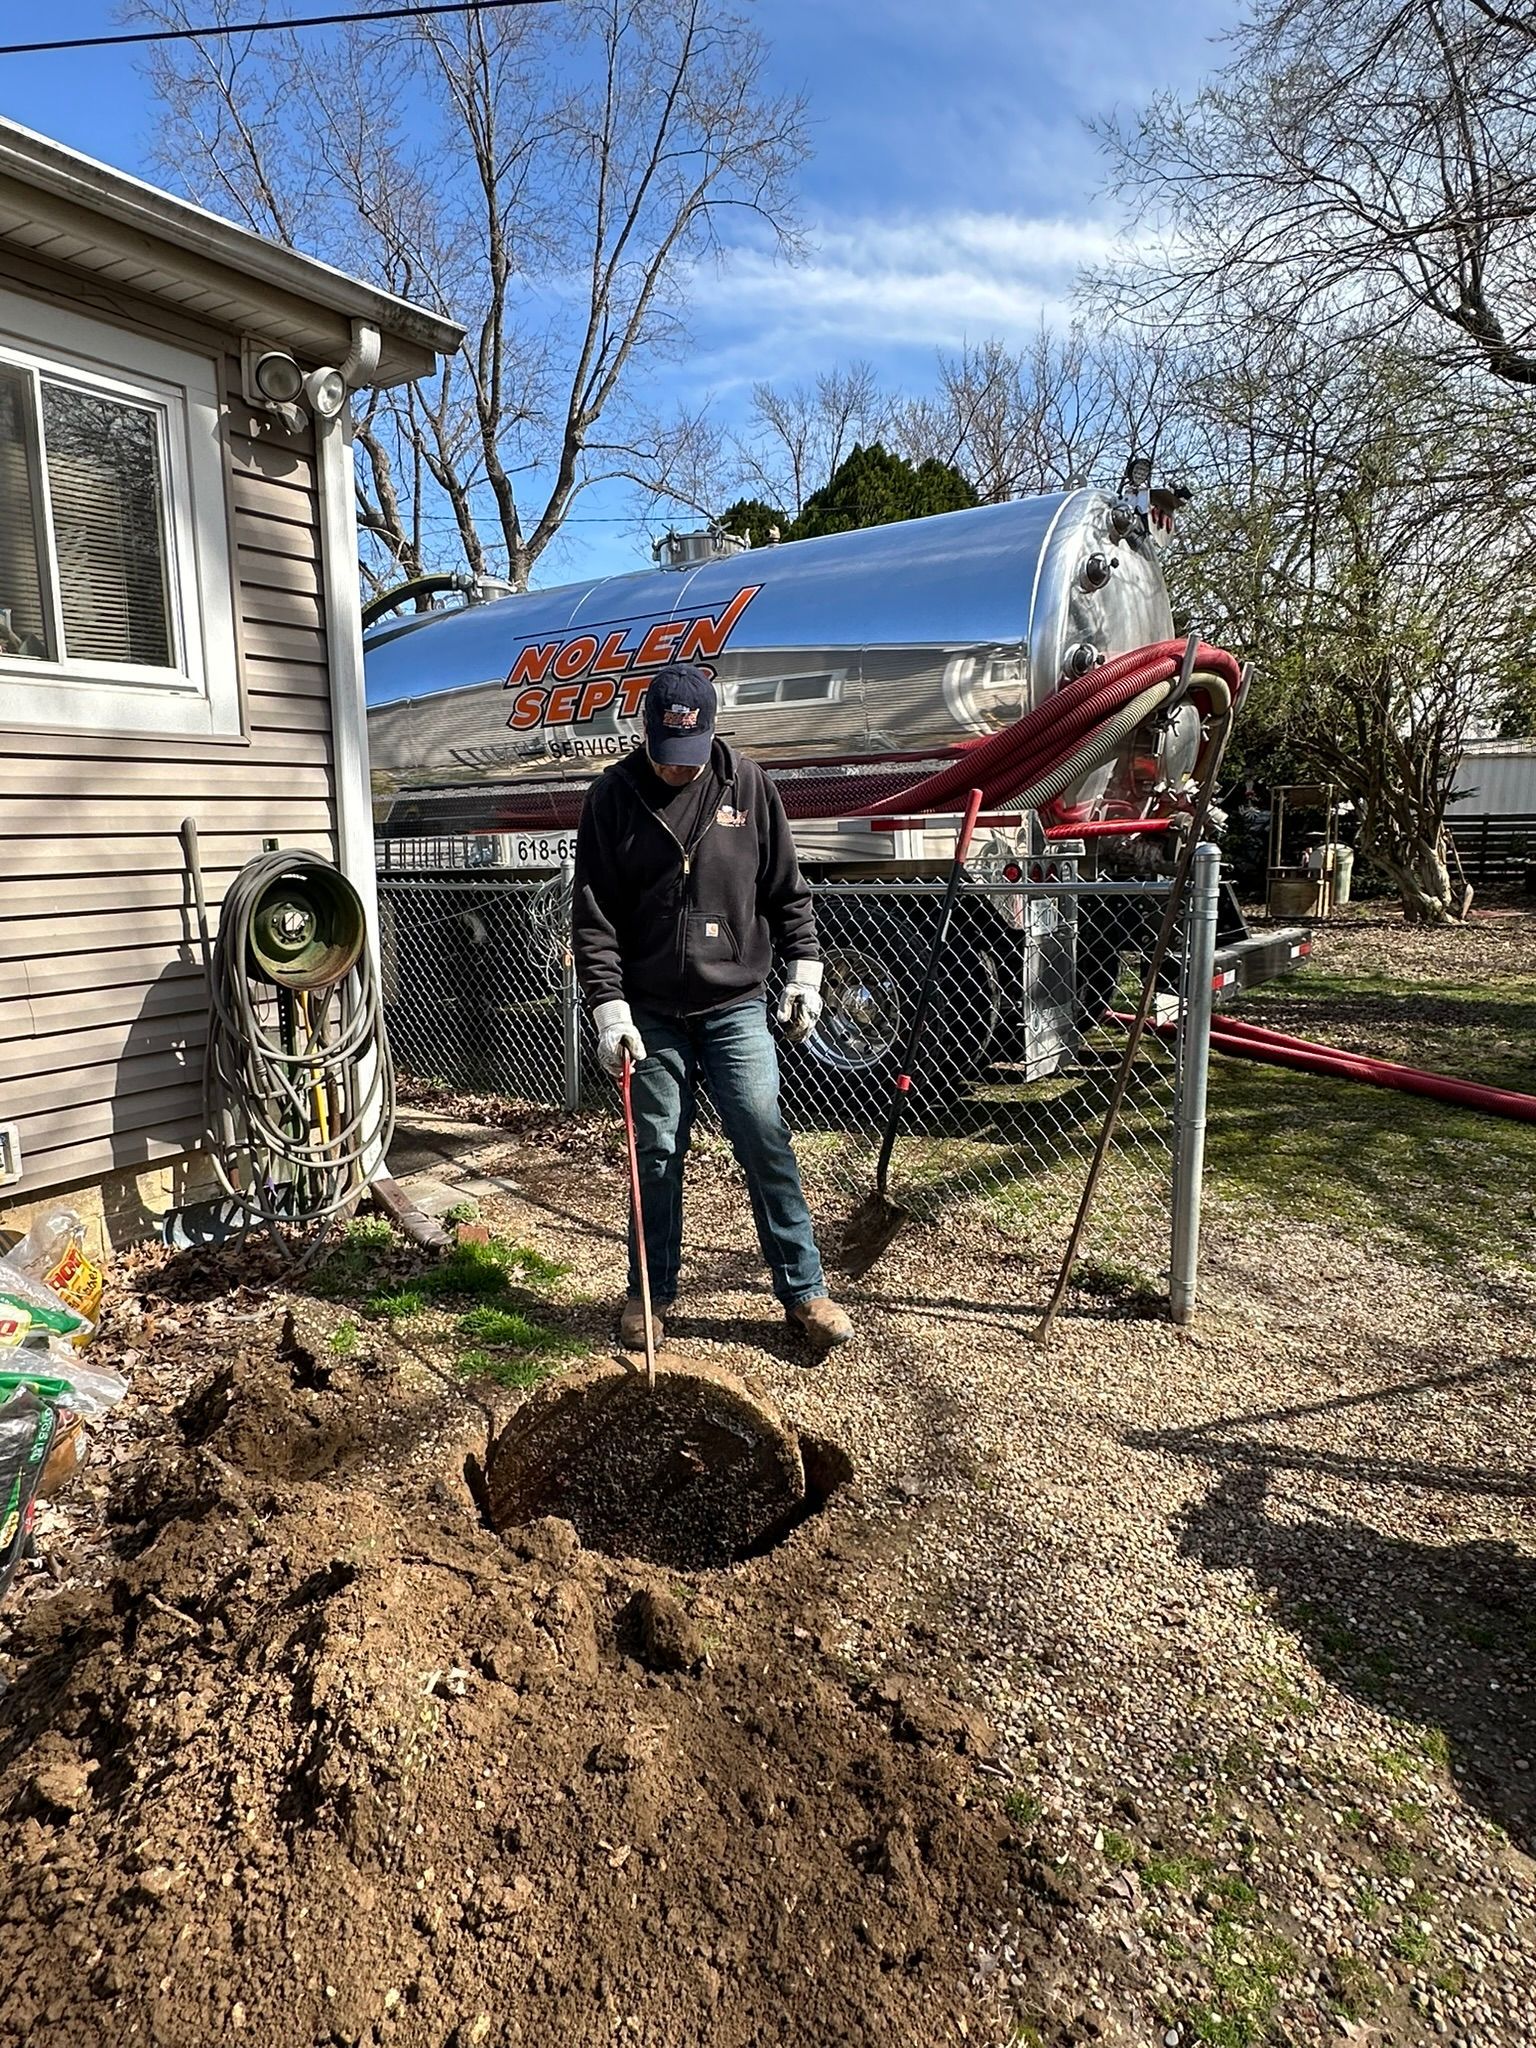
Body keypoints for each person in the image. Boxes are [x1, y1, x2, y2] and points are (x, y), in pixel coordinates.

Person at [571, 661, 854, 1358]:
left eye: (690, 758)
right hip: (651, 1011)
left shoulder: (749, 786)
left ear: (711, 732)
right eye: (667, 759)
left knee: (763, 1136)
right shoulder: (612, 797)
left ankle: (804, 1293)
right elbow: (595, 918)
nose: (678, 771)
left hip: (736, 1003)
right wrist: (610, 1013)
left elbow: (788, 892)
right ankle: (649, 1295)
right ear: (645, 735)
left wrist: (806, 975)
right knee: (657, 1151)